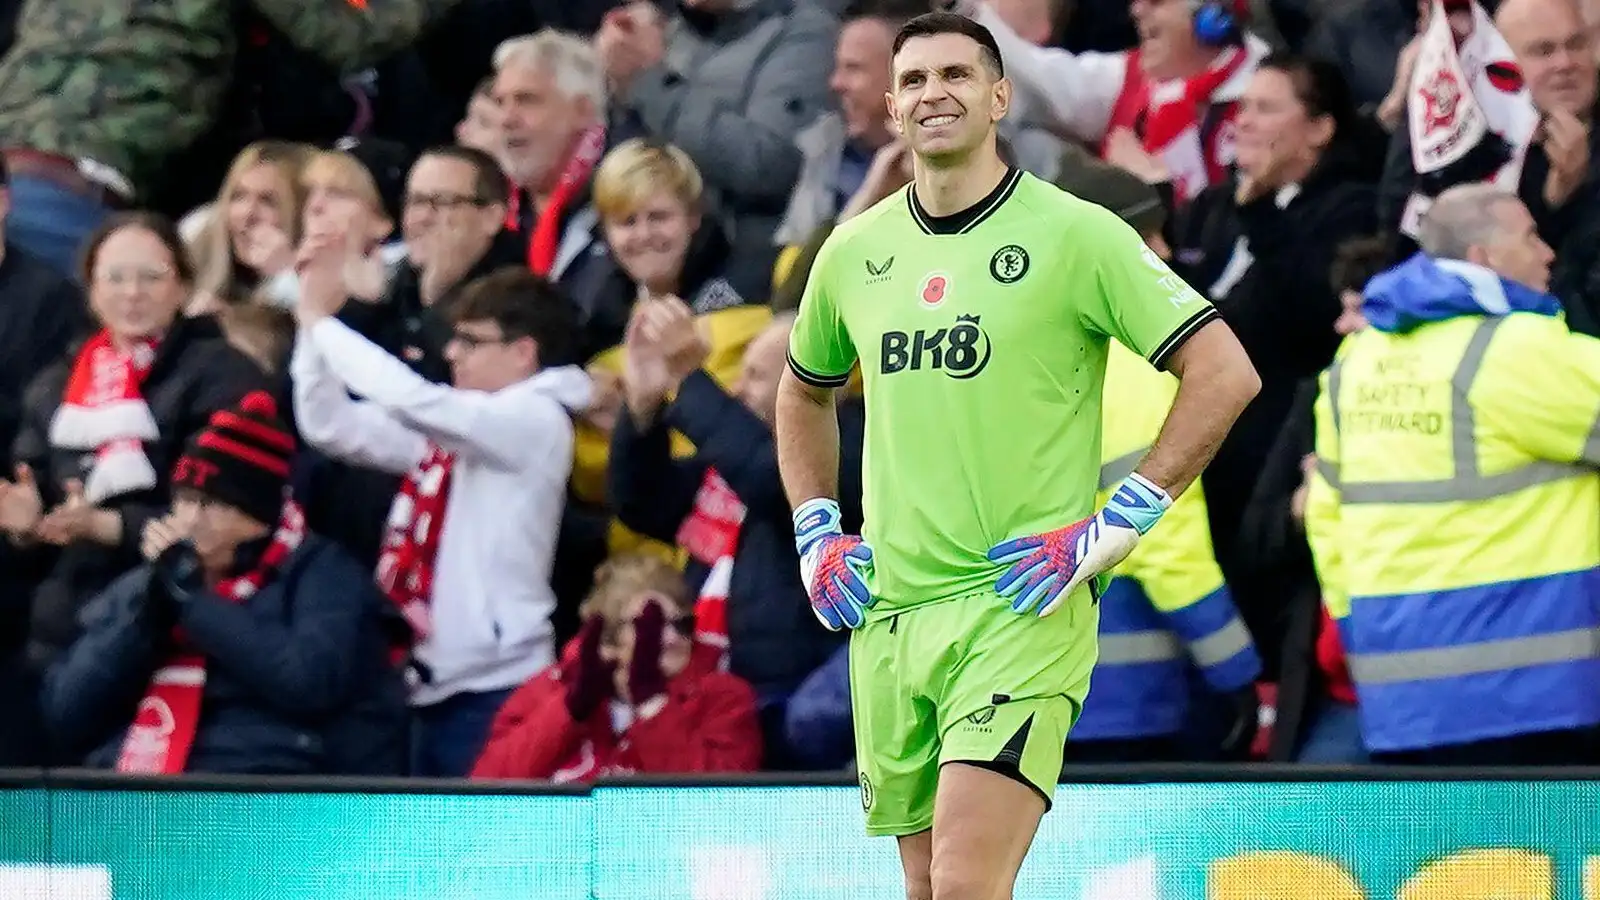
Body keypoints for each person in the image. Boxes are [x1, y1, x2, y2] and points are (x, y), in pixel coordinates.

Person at [775, 12, 1259, 900]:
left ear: (1000, 96)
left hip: (1018, 610)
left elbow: (1224, 371)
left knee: (965, 884)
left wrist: (1121, 522)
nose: (935, 95)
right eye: (915, 80)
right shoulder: (853, 251)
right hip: (892, 615)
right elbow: (803, 389)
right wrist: (816, 526)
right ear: (889, 106)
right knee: (925, 888)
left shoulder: (1078, 233)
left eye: (958, 75)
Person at [1305, 183, 1600, 765]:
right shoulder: (1521, 350)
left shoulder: (1356, 362)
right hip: (1534, 695)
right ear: (1483, 257)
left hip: (1401, 696)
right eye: (1531, 237)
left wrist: (1353, 623)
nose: (1548, 254)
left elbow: (1325, 512)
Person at [291, 259, 591, 778]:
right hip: (427, 686)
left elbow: (413, 401)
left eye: (471, 342)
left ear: (524, 353)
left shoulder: (535, 420)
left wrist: (322, 322)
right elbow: (328, 424)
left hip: (501, 688)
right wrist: (311, 334)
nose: (452, 353)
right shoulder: (456, 438)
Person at [39, 392, 409, 774]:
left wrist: (193, 603)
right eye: (184, 500)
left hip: (266, 783)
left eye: (213, 506)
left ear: (260, 517)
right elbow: (65, 711)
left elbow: (308, 683)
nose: (191, 521)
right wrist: (147, 617)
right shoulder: (148, 584)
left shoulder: (323, 574)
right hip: (139, 782)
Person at [470, 553, 762, 781]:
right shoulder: (549, 689)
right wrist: (571, 709)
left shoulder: (724, 698)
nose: (671, 638)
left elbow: (722, 805)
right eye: (651, 625)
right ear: (608, 634)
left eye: (682, 624)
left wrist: (653, 705)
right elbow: (488, 787)